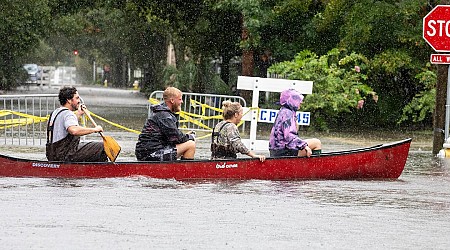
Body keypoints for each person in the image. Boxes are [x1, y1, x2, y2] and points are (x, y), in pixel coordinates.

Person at [46, 87, 107, 162]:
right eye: (77, 98)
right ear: (69, 100)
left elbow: (66, 124)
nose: (79, 101)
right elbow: (73, 130)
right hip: (65, 155)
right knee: (102, 146)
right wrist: (95, 130)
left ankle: (86, 169)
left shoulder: (55, 112)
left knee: (86, 146)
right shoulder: (68, 114)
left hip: (52, 154)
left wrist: (78, 114)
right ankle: (102, 170)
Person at [135, 87, 196, 161]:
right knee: (191, 145)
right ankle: (185, 171)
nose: (182, 102)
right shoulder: (164, 116)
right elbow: (176, 138)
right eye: (180, 99)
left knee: (187, 142)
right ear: (172, 100)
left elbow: (173, 137)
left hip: (147, 152)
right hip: (150, 154)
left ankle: (178, 169)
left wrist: (186, 137)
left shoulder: (163, 113)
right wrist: (190, 137)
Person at [269, 89, 322, 157]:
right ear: (292, 101)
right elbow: (289, 136)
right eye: (298, 100)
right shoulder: (287, 114)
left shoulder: (283, 111)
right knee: (316, 143)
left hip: (277, 150)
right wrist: (305, 146)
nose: (301, 102)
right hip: (283, 152)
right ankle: (314, 166)